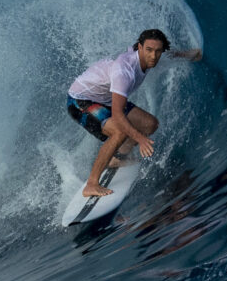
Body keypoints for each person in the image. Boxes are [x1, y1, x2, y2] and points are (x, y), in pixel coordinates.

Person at [67, 28, 203, 197]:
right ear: (140, 47)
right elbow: (117, 114)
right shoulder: (124, 72)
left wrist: (190, 54)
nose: (153, 56)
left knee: (150, 124)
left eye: (157, 51)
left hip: (106, 99)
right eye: (149, 50)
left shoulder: (153, 57)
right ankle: (92, 184)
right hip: (81, 100)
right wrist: (140, 139)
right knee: (119, 131)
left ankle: (116, 157)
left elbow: (170, 55)